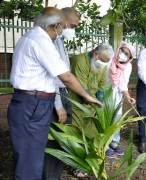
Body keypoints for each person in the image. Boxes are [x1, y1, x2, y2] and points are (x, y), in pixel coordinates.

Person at [7, 7, 101, 180]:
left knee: (29, 157)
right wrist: (86, 96)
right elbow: (65, 76)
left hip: (29, 102)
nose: (62, 32)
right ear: (56, 25)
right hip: (33, 103)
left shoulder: (28, 37)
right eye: (64, 27)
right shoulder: (41, 41)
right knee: (30, 162)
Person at [42, 7, 80, 180]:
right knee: (54, 139)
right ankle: (49, 176)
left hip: (63, 95)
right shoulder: (50, 41)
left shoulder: (59, 41)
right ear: (61, 22)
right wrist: (58, 105)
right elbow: (53, 76)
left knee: (63, 138)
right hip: (54, 97)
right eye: (72, 25)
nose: (73, 29)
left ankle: (54, 175)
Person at [69, 43, 114, 137]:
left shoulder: (103, 64)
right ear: (95, 53)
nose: (104, 64)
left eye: (106, 62)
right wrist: (96, 105)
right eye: (102, 61)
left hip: (93, 104)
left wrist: (99, 105)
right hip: (78, 103)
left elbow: (102, 86)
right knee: (76, 133)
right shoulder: (80, 61)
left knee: (92, 133)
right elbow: (82, 87)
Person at [105, 41, 136, 158]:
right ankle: (105, 145)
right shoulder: (108, 60)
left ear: (130, 58)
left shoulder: (128, 66)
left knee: (116, 122)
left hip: (117, 97)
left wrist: (128, 97)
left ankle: (114, 143)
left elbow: (123, 85)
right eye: (122, 51)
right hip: (104, 96)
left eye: (127, 54)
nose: (123, 54)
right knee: (105, 121)